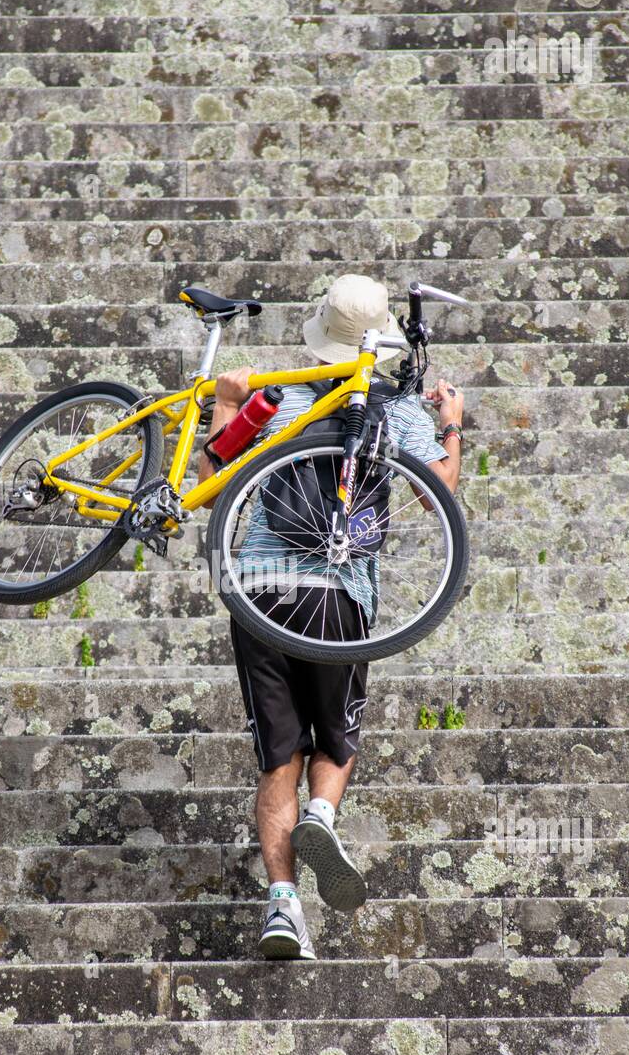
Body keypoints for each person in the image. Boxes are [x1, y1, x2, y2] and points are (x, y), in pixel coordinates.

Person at [198, 274, 464, 960]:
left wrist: (227, 402)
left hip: (258, 591)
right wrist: (451, 423)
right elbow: (443, 496)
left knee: (277, 757)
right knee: (335, 744)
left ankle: (283, 905)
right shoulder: (396, 407)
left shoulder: (275, 394)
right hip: (338, 594)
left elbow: (213, 485)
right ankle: (323, 814)